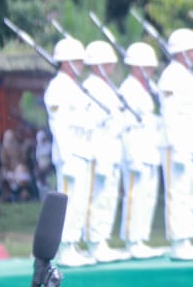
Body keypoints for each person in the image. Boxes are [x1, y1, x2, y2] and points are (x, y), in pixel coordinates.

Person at [44, 37, 100, 267]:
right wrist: (66, 157)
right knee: (68, 203)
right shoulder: (57, 87)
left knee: (79, 203)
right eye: (77, 61)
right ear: (66, 62)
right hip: (70, 154)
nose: (81, 65)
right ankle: (64, 248)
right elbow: (59, 125)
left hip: (82, 152)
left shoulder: (75, 87)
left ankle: (73, 244)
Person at [158, 27, 193, 261]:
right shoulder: (171, 76)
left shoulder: (187, 75)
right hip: (177, 145)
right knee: (178, 193)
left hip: (190, 144)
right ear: (181, 52)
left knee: (189, 193)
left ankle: (186, 238)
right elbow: (170, 115)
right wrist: (177, 147)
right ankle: (178, 241)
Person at [81, 40, 132, 262]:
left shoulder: (108, 86)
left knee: (109, 197)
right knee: (96, 196)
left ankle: (102, 239)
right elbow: (92, 121)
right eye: (107, 64)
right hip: (98, 149)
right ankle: (93, 241)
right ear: (97, 65)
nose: (111, 68)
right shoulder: (89, 87)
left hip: (112, 150)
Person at [118, 42, 167, 259]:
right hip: (136, 150)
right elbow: (125, 126)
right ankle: (131, 240)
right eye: (147, 66)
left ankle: (141, 238)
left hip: (149, 149)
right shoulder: (128, 89)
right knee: (134, 196)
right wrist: (131, 156)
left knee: (147, 197)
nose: (151, 70)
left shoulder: (147, 88)